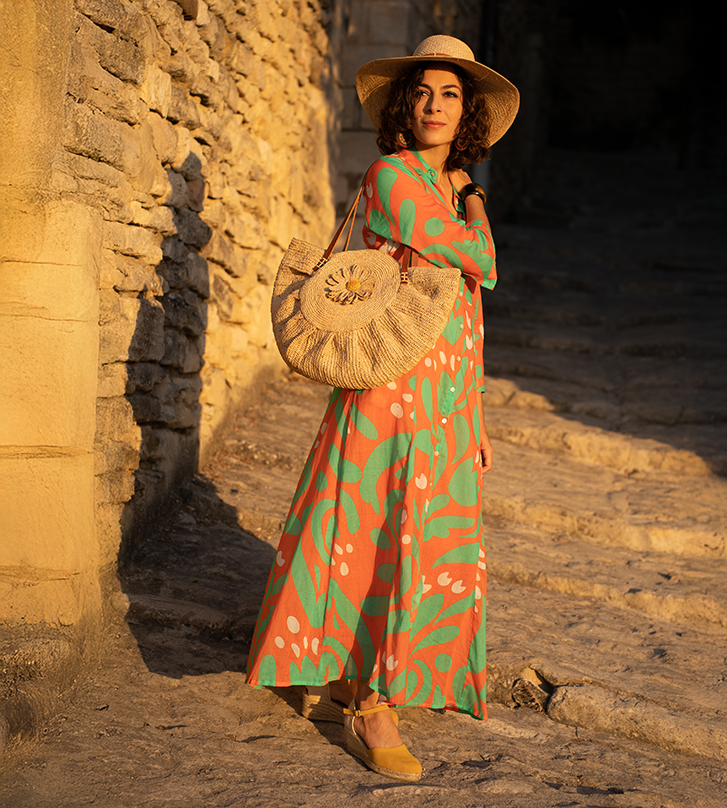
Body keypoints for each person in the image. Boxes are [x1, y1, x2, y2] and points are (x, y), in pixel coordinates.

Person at [246, 34, 519, 782]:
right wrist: (475, 197)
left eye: (450, 94)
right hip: (390, 387)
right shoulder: (394, 176)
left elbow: (468, 311)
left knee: (422, 540)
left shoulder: (442, 186)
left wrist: (475, 411)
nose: (434, 105)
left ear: (466, 112)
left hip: (446, 394)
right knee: (375, 534)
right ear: (405, 104)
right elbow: (484, 261)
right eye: (423, 92)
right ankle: (371, 705)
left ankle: (350, 675)